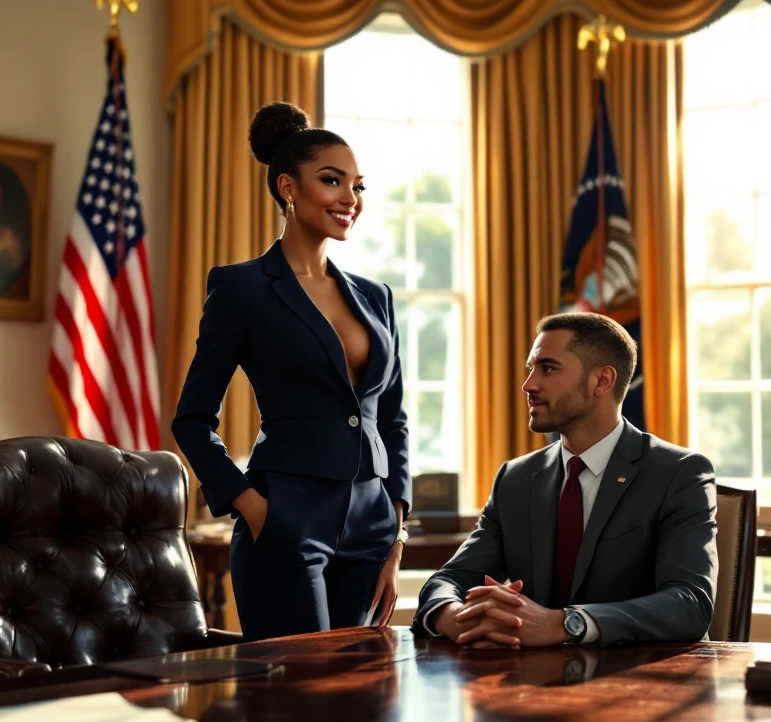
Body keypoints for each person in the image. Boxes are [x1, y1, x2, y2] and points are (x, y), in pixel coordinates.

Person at [172, 102, 411, 642]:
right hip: (286, 519)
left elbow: (391, 418)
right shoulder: (241, 288)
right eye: (332, 180)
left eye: (358, 186)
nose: (350, 198)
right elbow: (191, 419)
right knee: (297, 707)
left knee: (359, 706)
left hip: (372, 526)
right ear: (287, 187)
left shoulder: (377, 298)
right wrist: (253, 508)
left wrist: (396, 531)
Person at [413, 312, 718, 649]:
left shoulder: (679, 473)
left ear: (602, 381)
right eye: (531, 368)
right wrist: (457, 618)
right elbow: (449, 580)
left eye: (548, 368)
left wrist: (566, 624)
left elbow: (690, 603)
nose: (528, 384)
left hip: (643, 684)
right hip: (530, 685)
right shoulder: (515, 479)